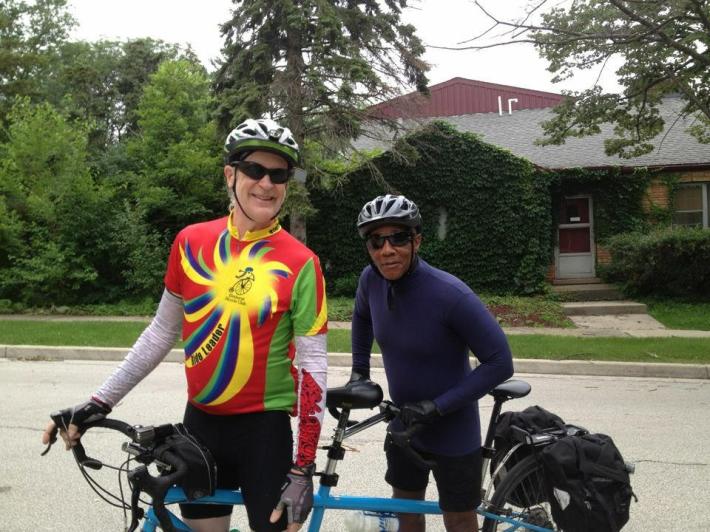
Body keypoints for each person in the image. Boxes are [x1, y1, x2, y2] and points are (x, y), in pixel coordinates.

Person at [42, 118, 329, 532]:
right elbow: (161, 332)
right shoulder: (191, 242)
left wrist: (303, 466)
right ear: (230, 174)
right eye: (255, 170)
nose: (267, 184)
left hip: (263, 433)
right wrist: (97, 403)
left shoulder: (301, 262)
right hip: (201, 427)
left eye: (279, 174)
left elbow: (313, 368)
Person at [350, 194, 513, 532]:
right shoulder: (371, 280)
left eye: (398, 238)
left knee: (458, 519)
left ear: (417, 240)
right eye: (376, 241)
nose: (387, 250)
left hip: (453, 430)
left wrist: (437, 407)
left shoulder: (449, 295)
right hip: (404, 424)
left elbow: (500, 362)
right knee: (407, 512)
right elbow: (362, 317)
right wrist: (359, 372)